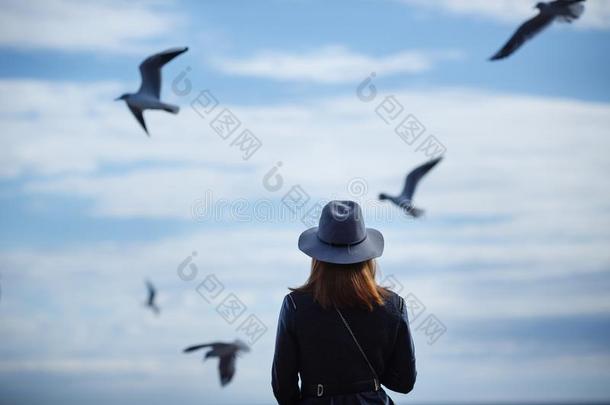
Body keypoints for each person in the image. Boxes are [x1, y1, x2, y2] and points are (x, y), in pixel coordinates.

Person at [272, 200, 416, 405]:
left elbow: (283, 387)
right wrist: (367, 379)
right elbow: (404, 382)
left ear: (317, 256)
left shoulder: (295, 305)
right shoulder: (393, 305)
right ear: (366, 255)